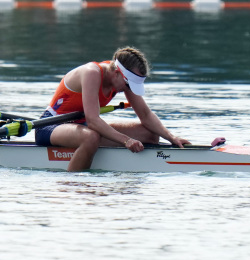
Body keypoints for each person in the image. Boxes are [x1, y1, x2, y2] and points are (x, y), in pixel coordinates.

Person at [34, 46, 190, 172]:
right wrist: (126, 140)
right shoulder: (91, 73)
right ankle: (73, 183)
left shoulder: (122, 78)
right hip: (50, 126)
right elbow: (93, 121)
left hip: (82, 126)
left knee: (150, 134)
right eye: (128, 85)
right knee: (91, 137)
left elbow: (145, 114)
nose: (128, 89)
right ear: (116, 73)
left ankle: (101, 160)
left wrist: (171, 137)